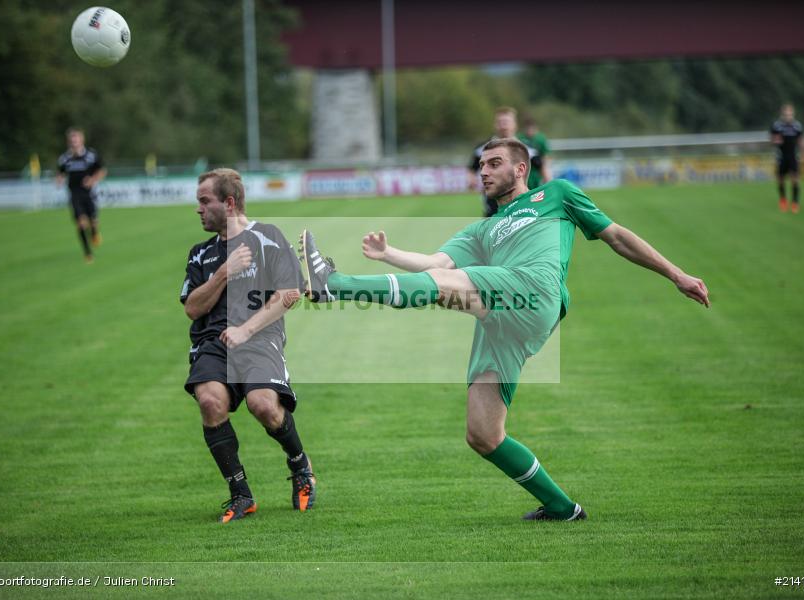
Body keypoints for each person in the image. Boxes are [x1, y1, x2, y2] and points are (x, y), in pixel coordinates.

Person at [301, 138, 709, 521]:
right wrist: (388, 253)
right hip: (504, 315)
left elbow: (616, 236)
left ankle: (334, 285)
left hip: (535, 291)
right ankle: (562, 508)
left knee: (451, 287)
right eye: (481, 165)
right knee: (483, 434)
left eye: (494, 164)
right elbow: (435, 264)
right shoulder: (483, 229)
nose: (484, 172)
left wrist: (677, 275)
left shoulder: (557, 195)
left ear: (521, 168)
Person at [181, 168, 315, 523]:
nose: (199, 209)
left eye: (204, 201)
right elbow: (193, 308)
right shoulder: (200, 255)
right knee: (211, 401)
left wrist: (246, 329)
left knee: (264, 406)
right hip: (213, 341)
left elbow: (291, 293)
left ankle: (300, 465)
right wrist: (223, 271)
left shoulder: (268, 237)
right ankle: (240, 494)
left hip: (260, 338)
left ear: (228, 203)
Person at [468, 107, 544, 218]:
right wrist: (471, 179)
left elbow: (542, 167)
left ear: (515, 124)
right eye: (500, 122)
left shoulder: (528, 148)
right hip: (494, 204)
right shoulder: (483, 148)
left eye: (507, 122)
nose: (503, 125)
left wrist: (547, 185)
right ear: (495, 125)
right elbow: (472, 168)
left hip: (525, 200)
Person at [56, 128, 107, 262]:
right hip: (75, 194)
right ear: (69, 142)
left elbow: (102, 171)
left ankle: (95, 232)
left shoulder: (91, 155)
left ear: (81, 140)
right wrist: (59, 179)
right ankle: (87, 253)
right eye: (72, 141)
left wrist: (92, 180)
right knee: (81, 224)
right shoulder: (65, 158)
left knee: (93, 221)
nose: (74, 143)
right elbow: (60, 172)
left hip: (89, 193)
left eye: (76, 140)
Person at [770, 104, 804, 213]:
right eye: (786, 114)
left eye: (790, 114)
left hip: (793, 156)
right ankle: (783, 199)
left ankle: (795, 203)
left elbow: (801, 142)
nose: (788, 116)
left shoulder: (797, 126)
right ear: (782, 115)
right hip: (781, 156)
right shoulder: (777, 126)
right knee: (780, 180)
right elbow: (772, 141)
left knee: (795, 179)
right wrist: (775, 141)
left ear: (793, 114)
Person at [520, 116, 552, 185]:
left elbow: (546, 155)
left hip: (536, 170)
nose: (529, 131)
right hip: (524, 169)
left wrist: (544, 169)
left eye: (531, 128)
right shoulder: (520, 138)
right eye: (527, 128)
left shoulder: (540, 139)